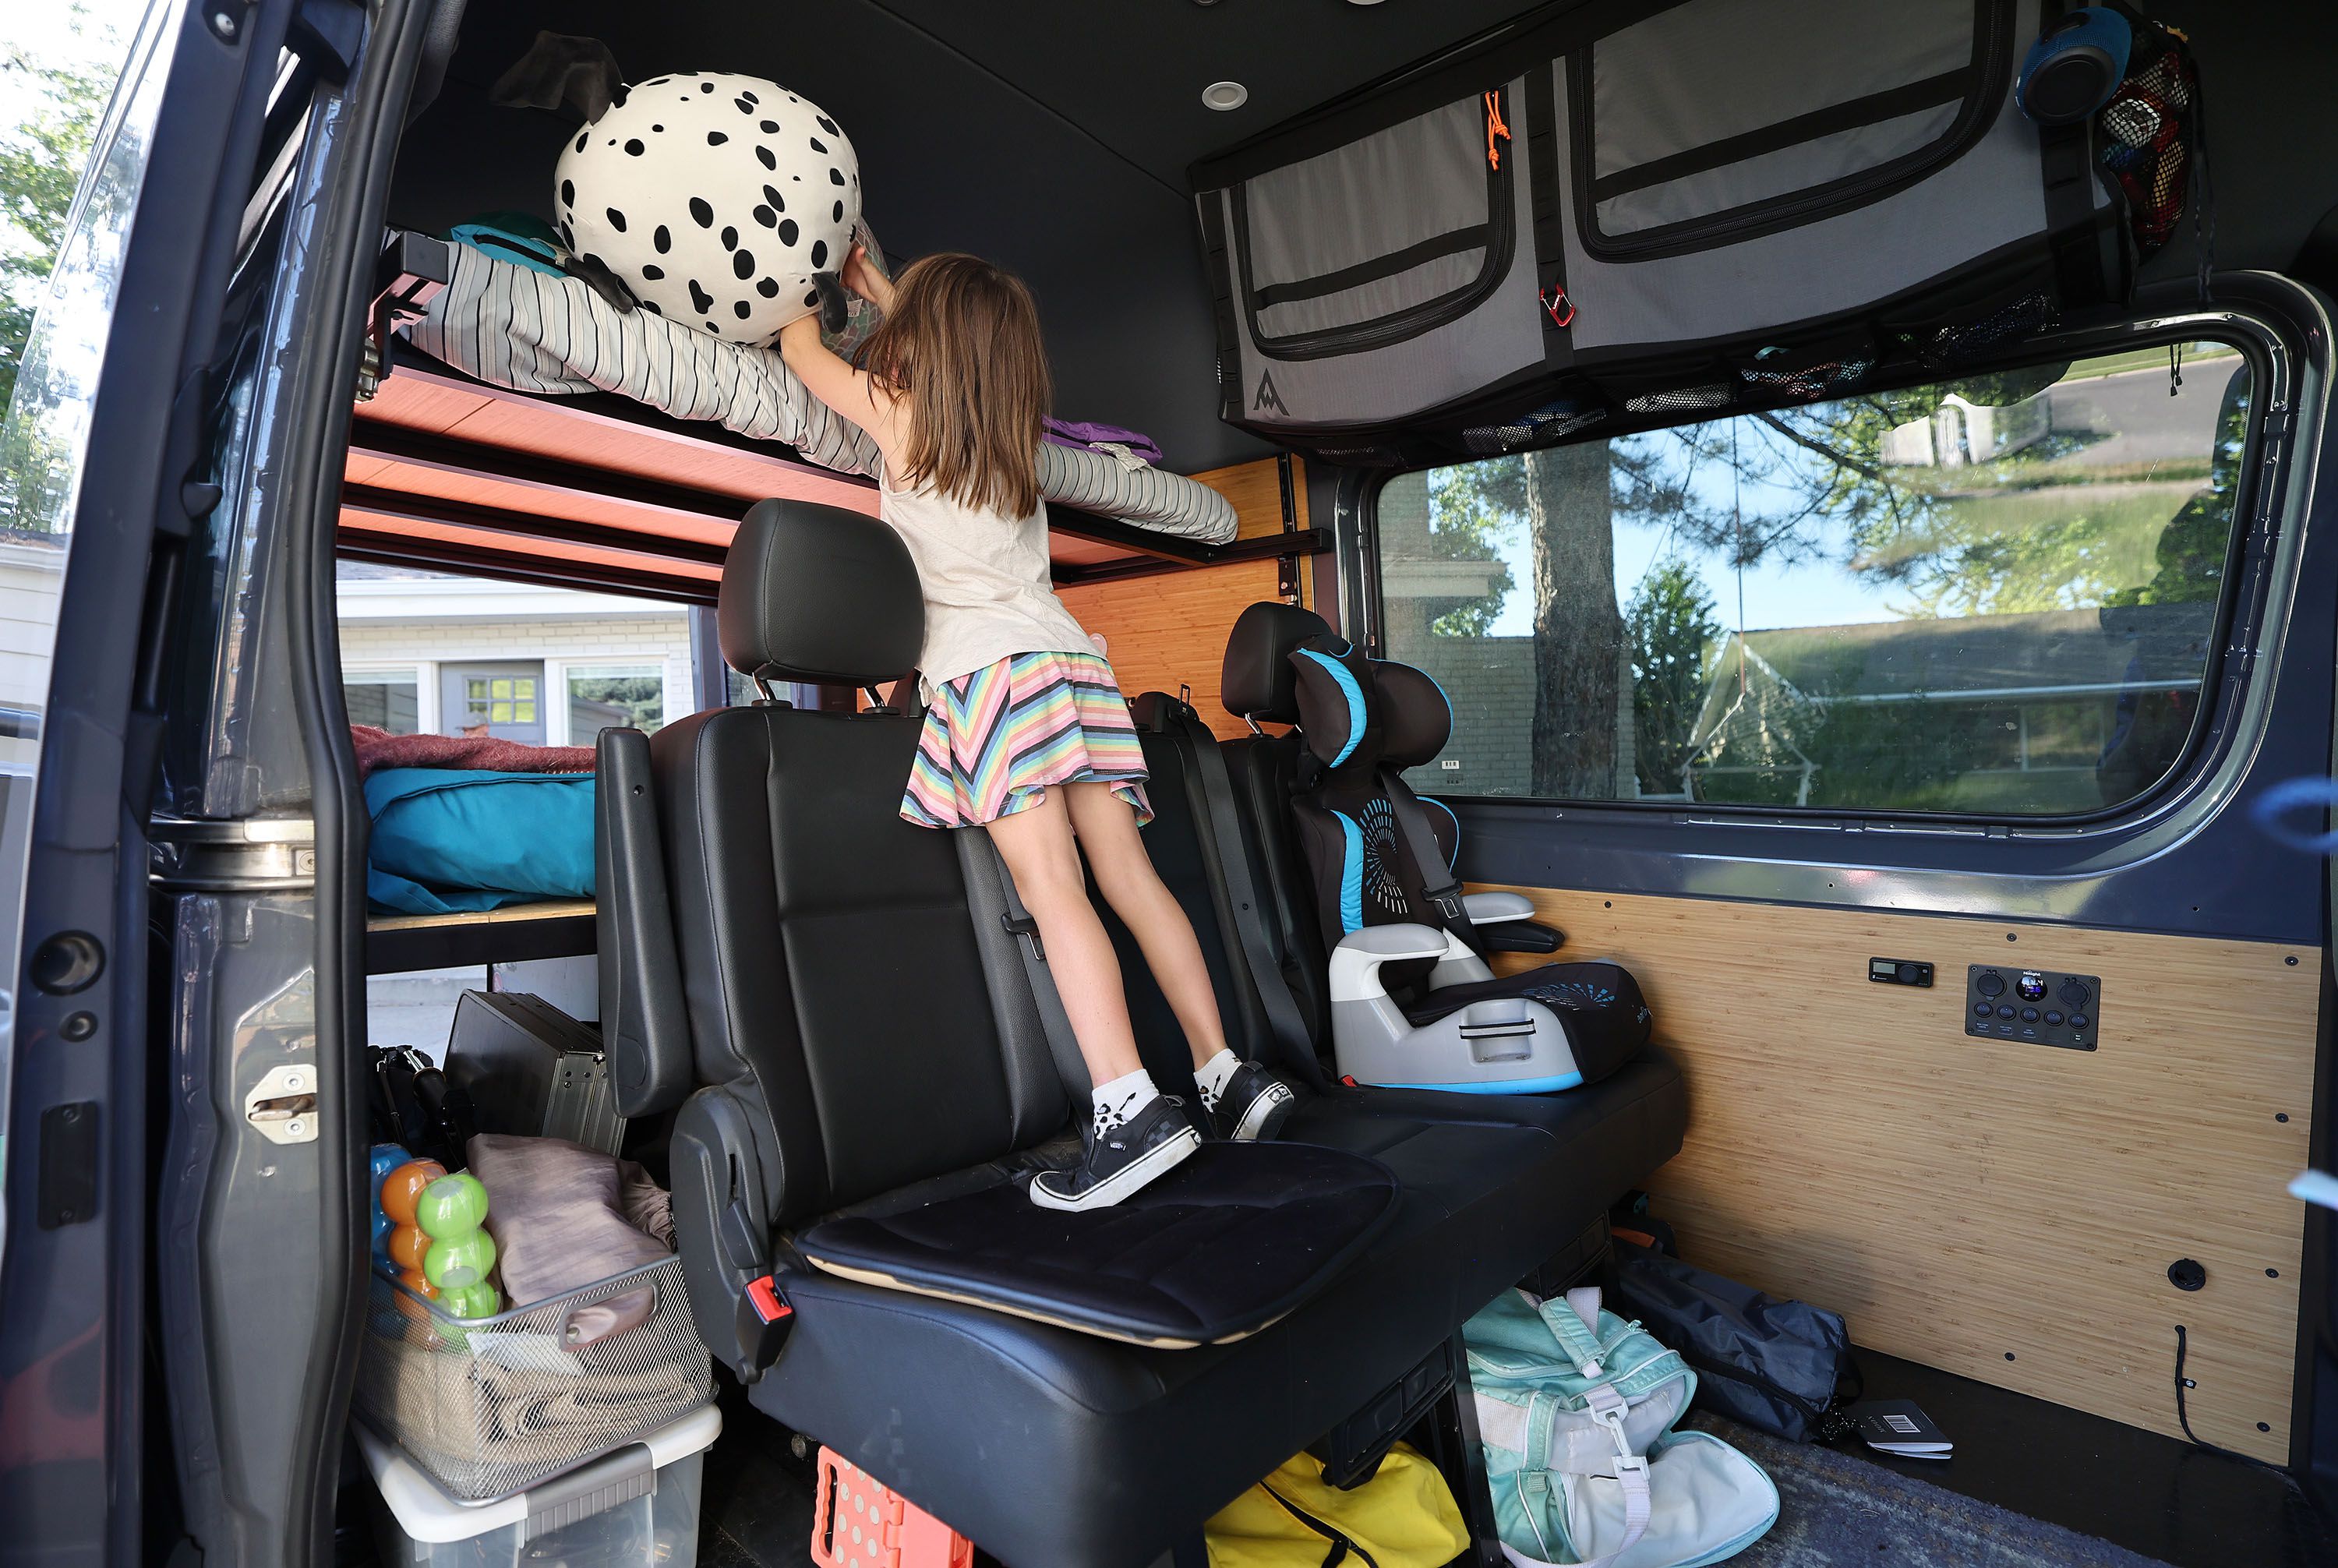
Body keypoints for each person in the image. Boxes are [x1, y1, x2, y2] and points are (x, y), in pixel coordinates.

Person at [778, 249, 1293, 1210]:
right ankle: (1225, 1071)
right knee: (1131, 881)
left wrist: (807, 281)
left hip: (990, 673)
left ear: (926, 348)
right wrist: (891, 289)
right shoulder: (1009, 436)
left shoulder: (901, 417)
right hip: (1075, 667)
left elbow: (799, 345)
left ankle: (1128, 1104)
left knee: (1053, 890)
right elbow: (957, 345)